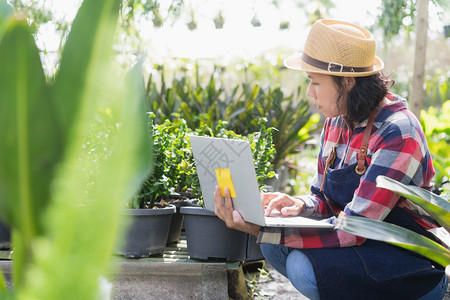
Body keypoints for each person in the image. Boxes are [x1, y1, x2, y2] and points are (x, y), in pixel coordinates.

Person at [214, 19, 448, 299]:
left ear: (347, 82)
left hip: (409, 266)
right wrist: (298, 205)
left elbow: (355, 227)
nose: (310, 93)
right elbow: (325, 201)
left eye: (315, 83)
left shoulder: (398, 131)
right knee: (274, 246)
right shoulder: (335, 124)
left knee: (301, 265)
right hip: (362, 247)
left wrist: (259, 228)